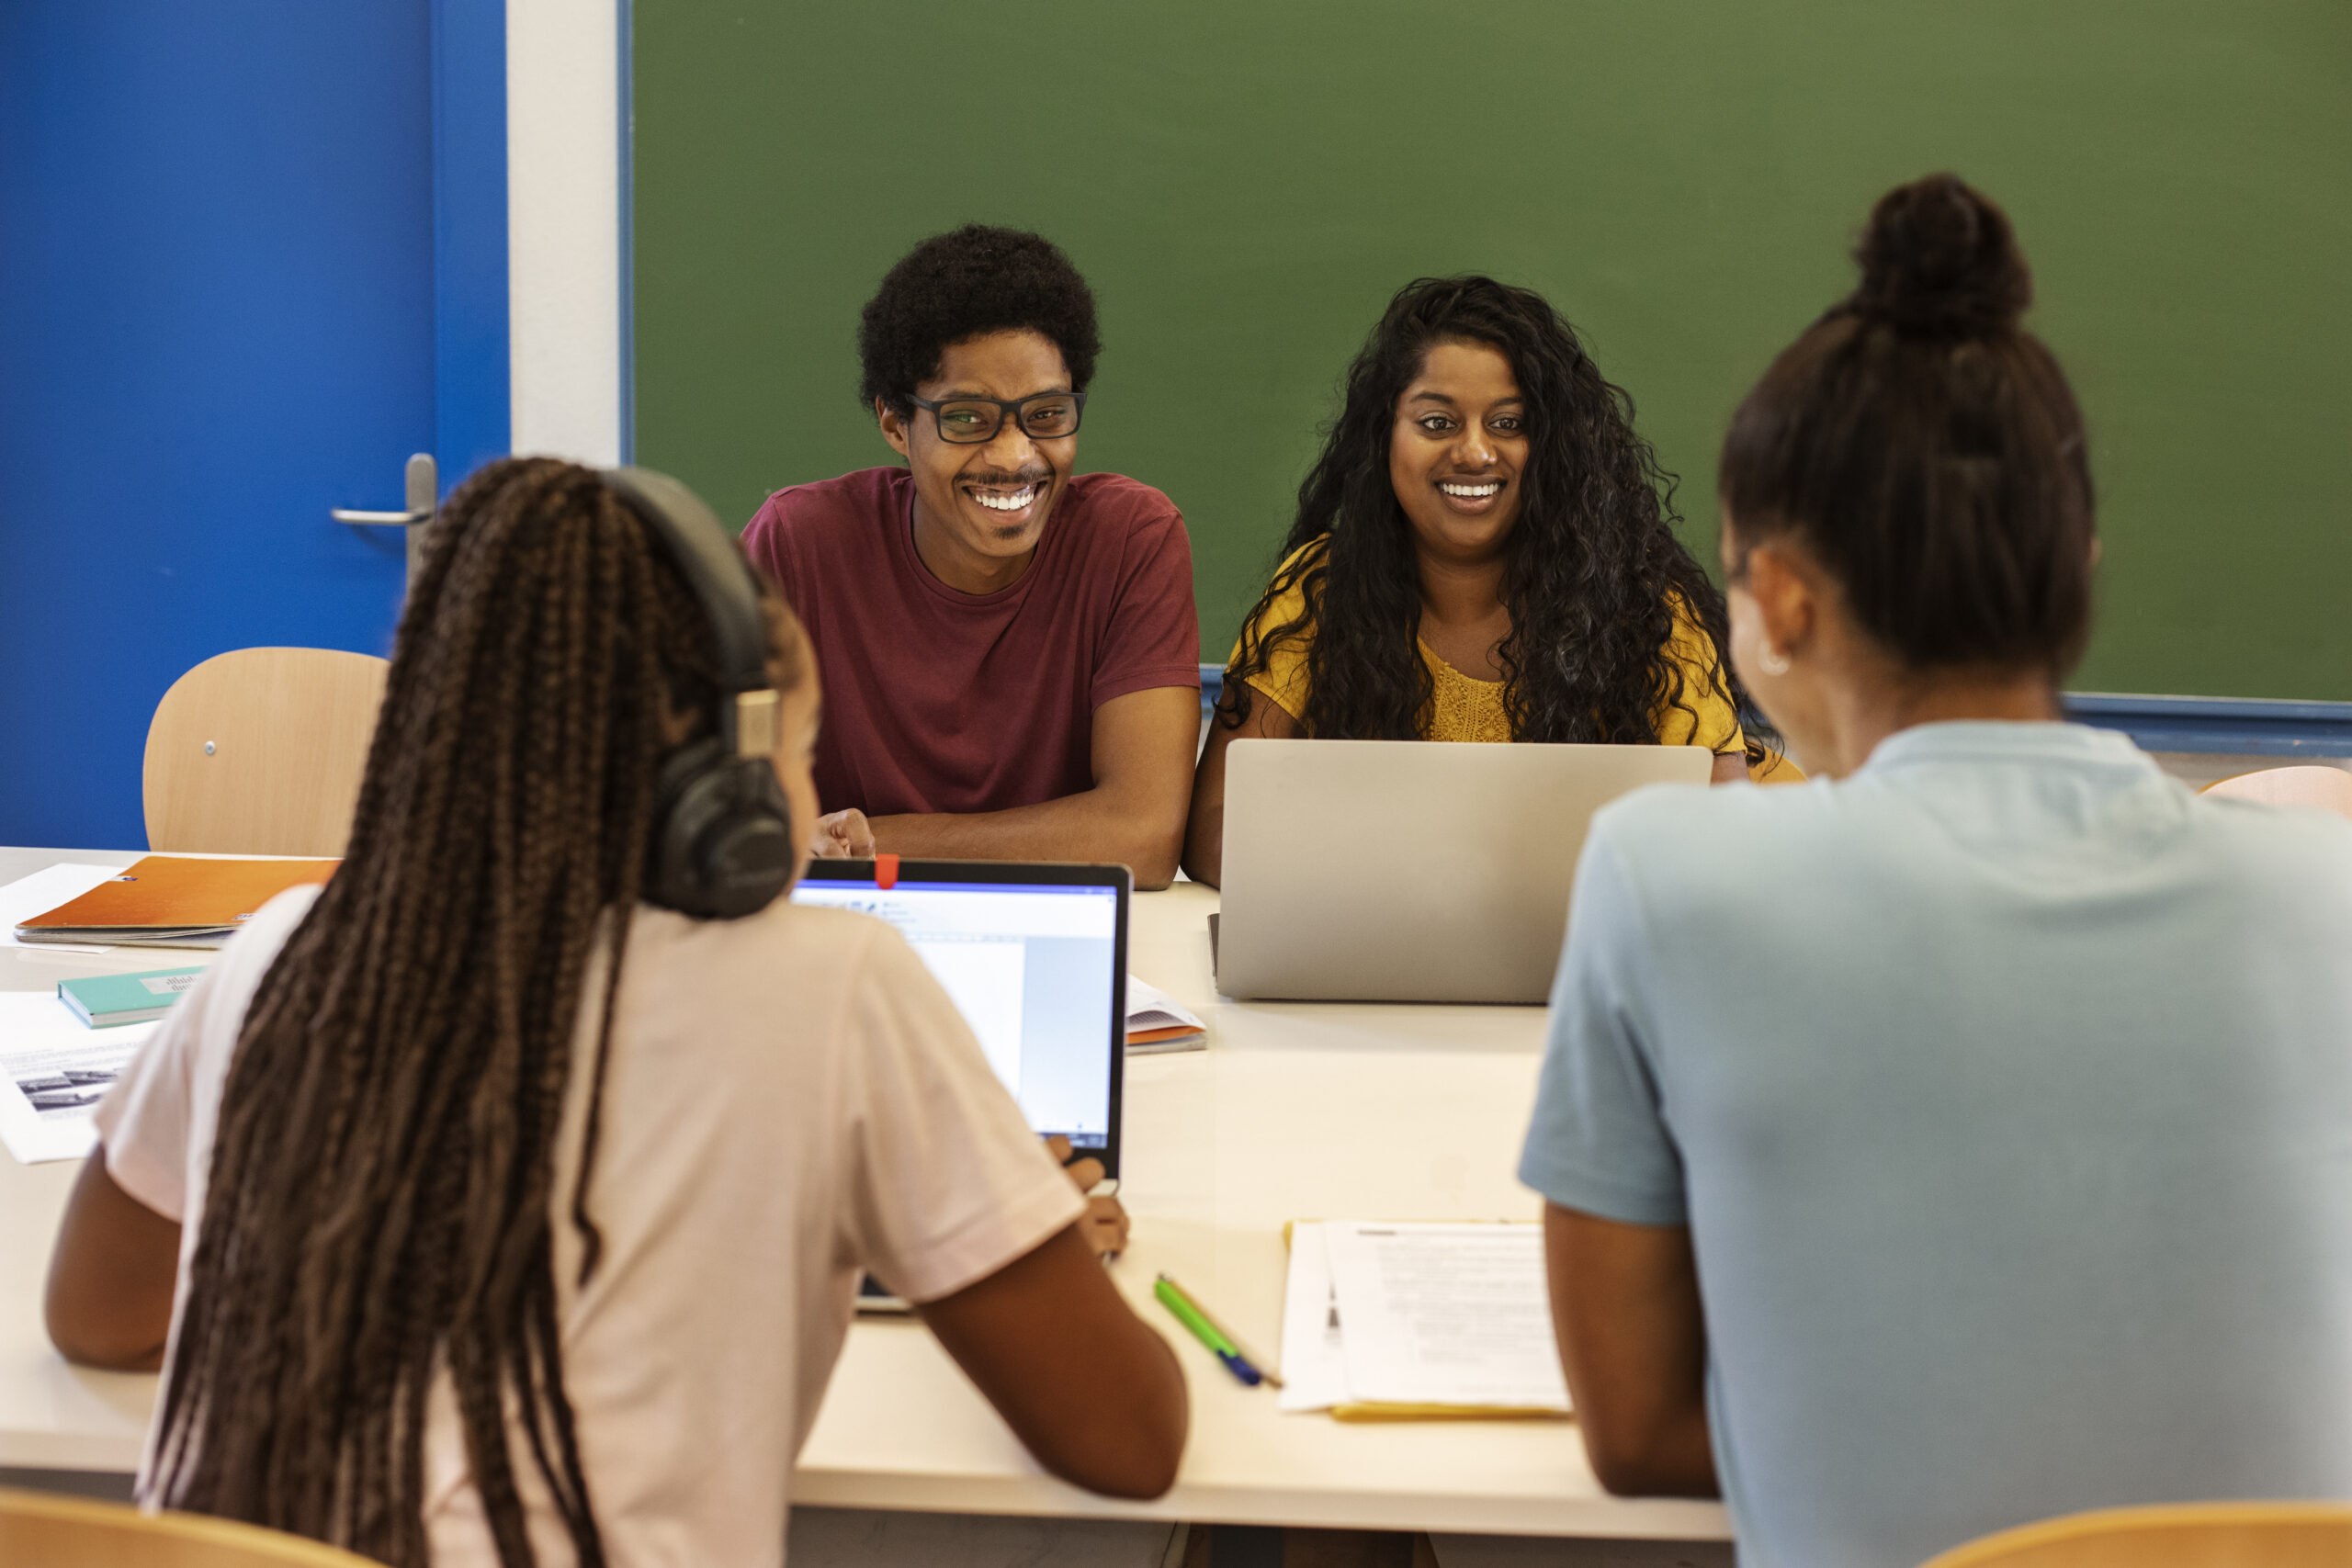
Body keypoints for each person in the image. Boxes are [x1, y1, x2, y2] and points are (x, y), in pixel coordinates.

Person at [44, 459, 1187, 1566]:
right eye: (796, 752)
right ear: (722, 796)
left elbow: (95, 1316)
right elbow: (1129, 1445)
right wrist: (1016, 1209)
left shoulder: (289, 948)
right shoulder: (836, 985)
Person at [1519, 175, 2352, 1568]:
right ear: (2077, 564)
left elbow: (1639, 1429)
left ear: (1778, 600)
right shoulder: (2325, 901)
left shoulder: (1669, 877)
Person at [1184, 275, 1776, 887]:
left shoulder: (1643, 609)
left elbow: (1728, 840)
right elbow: (1211, 829)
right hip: (1374, 958)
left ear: (1555, 447)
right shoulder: (1319, 591)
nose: (1473, 452)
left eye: (1510, 424)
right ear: (1383, 436)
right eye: (1437, 422)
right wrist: (1393, 881)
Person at [742, 225, 1201, 889]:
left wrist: (865, 843)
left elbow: (1144, 836)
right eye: (967, 419)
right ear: (896, 424)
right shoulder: (797, 544)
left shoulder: (1132, 539)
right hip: (852, 932)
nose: (1015, 456)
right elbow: (718, 803)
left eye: (1046, 414)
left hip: (1051, 934)